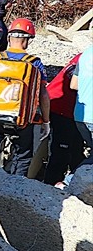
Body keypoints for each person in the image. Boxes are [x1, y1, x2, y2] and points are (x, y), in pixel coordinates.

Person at [0, 18, 51, 176]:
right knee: (22, 157)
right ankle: (15, 191)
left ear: (9, 37)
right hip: (20, 120)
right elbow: (43, 95)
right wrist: (46, 121)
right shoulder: (34, 63)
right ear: (27, 40)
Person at [43, 53, 90, 184]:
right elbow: (74, 84)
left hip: (61, 104)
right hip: (64, 108)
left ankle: (72, 183)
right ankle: (52, 184)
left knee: (75, 148)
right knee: (62, 151)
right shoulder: (86, 58)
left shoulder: (84, 55)